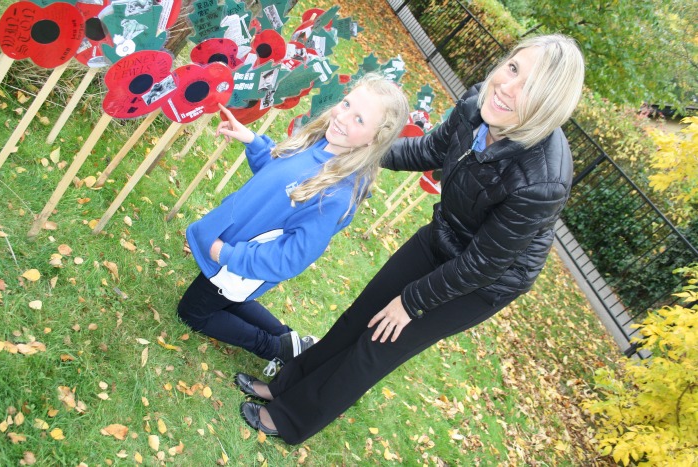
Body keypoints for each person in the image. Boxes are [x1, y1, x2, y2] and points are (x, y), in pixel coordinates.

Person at [235, 34, 586, 444]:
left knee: (376, 347)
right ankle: (285, 383)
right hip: (444, 235)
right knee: (360, 315)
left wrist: (411, 302)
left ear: (547, 105)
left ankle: (292, 419)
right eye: (513, 68)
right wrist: (361, 148)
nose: (506, 87)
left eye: (529, 87)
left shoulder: (542, 181)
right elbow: (429, 149)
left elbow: (482, 265)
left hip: (482, 282)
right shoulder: (476, 106)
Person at [177, 74, 410, 377]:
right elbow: (277, 178)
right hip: (230, 245)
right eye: (347, 104)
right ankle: (292, 341)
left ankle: (276, 349)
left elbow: (290, 257)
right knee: (225, 299)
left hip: (237, 259)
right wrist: (254, 142)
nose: (342, 118)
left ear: (374, 139)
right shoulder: (319, 143)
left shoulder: (334, 195)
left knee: (192, 312)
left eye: (359, 119)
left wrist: (227, 256)